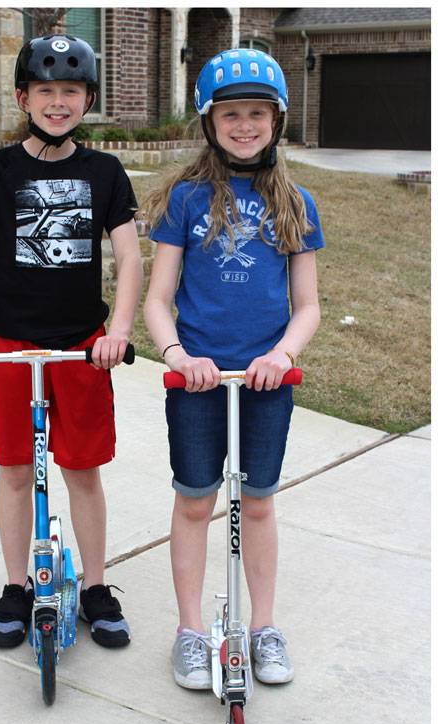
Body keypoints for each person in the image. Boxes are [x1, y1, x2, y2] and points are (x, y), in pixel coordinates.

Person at [0, 34, 143, 652]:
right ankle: (15, 587)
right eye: (46, 91)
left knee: (82, 471)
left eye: (72, 92)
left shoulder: (104, 172)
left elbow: (131, 258)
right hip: (9, 347)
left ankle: (96, 588)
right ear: (23, 97)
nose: (58, 103)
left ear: (88, 100)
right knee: (14, 470)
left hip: (81, 348)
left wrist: (118, 332)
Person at [142, 49, 322, 690]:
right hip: (198, 381)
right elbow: (158, 299)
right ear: (209, 122)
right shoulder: (186, 200)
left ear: (275, 120)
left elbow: (307, 306)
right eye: (230, 115)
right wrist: (176, 356)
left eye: (256, 113)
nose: (243, 125)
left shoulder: (295, 203)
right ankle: (191, 631)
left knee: (259, 503)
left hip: (265, 382)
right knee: (194, 503)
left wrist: (283, 355)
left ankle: (265, 626)